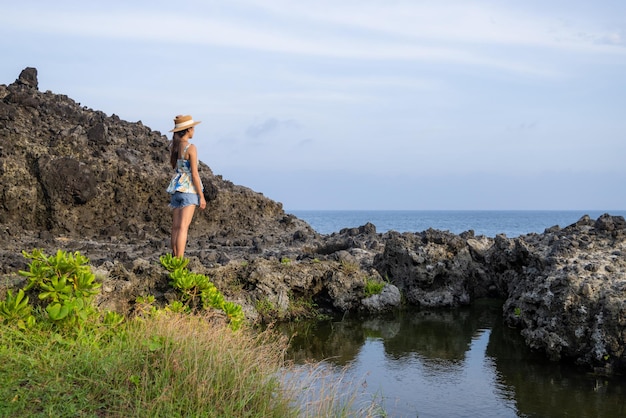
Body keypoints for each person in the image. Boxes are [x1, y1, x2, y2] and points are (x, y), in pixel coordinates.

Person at [166, 114, 206, 257]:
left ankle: (174, 259)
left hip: (177, 188)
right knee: (183, 228)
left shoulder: (174, 146)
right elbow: (194, 174)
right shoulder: (191, 148)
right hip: (189, 190)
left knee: (175, 228)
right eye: (192, 128)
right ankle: (180, 261)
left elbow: (175, 167)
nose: (194, 130)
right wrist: (201, 196)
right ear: (188, 130)